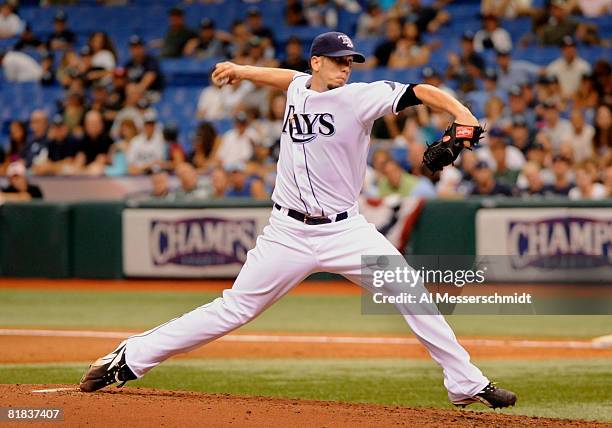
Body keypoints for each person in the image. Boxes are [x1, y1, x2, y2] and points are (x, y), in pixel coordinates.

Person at [80, 31, 517, 411]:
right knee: (234, 308)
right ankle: (129, 359)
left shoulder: (359, 97)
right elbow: (285, 77)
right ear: (316, 63)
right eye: (338, 61)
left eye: (350, 61)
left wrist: (465, 117)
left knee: (410, 291)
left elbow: (423, 91)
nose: (346, 67)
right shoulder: (298, 88)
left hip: (345, 230)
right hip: (286, 232)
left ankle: (465, 383)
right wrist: (241, 69)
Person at [126, 110, 165, 175]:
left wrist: (144, 167)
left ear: (155, 125)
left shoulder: (160, 141)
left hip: (154, 174)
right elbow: (130, 165)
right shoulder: (135, 141)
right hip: (137, 175)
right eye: (147, 124)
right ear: (143, 125)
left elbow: (159, 163)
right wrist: (143, 168)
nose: (149, 127)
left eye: (151, 124)